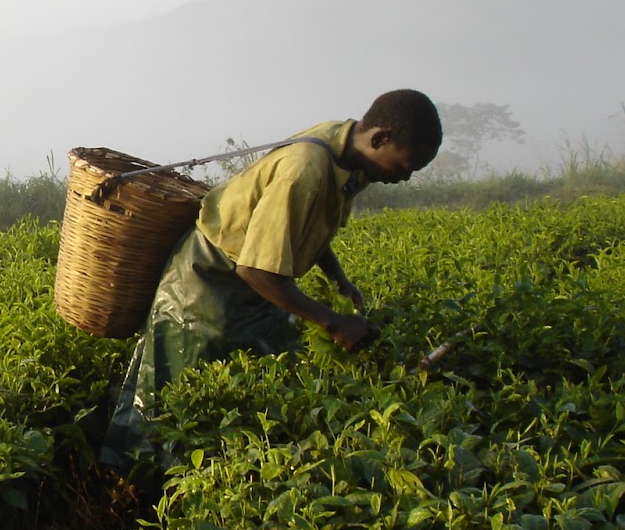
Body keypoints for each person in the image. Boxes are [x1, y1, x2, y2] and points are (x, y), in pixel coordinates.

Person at [98, 88, 443, 468]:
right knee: (175, 410)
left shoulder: (344, 147)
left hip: (249, 290)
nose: (405, 178)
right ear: (379, 139)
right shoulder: (305, 170)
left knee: (247, 399)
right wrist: (334, 322)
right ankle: (136, 495)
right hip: (207, 289)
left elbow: (307, 222)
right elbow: (256, 269)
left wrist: (337, 278)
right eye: (402, 167)